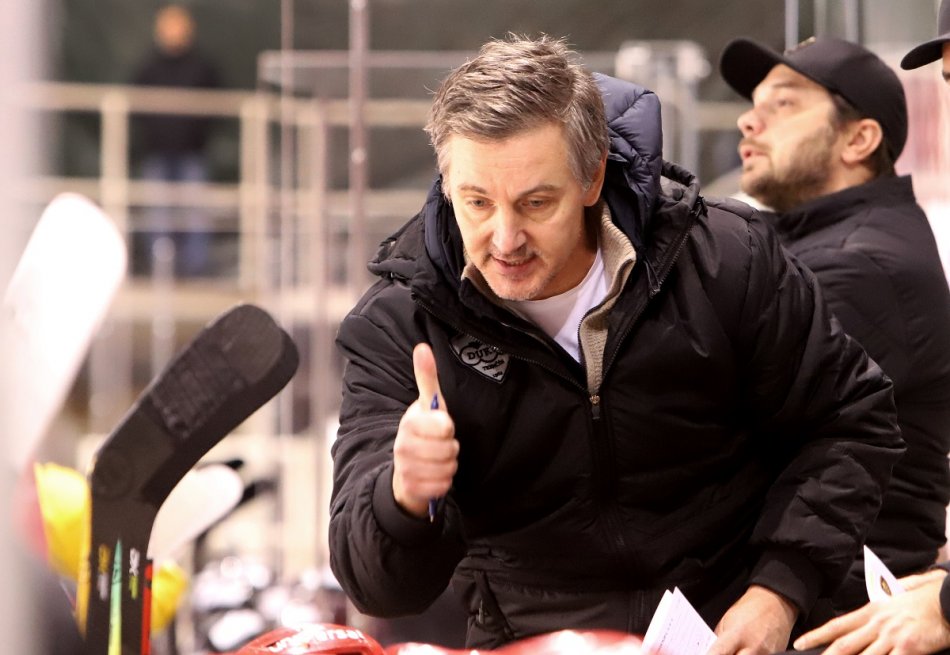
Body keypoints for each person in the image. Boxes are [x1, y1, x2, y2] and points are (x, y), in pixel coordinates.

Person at [329, 35, 903, 653]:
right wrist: (404, 497)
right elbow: (377, 587)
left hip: (731, 633)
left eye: (536, 203)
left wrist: (780, 591)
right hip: (534, 643)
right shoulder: (402, 324)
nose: (505, 237)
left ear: (593, 176)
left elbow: (849, 422)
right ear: (446, 183)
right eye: (476, 202)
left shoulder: (722, 260)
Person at [719, 35, 950, 616]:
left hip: (834, 615)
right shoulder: (820, 243)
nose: (750, 121)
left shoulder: (858, 266)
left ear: (858, 139)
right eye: (755, 104)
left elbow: (724, 445)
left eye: (784, 103)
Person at [132, 4, 220, 277]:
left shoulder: (202, 67)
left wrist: (196, 133)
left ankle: (195, 269)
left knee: (195, 212)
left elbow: (217, 104)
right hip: (158, 153)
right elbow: (136, 104)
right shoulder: (148, 67)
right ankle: (161, 267)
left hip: (192, 153)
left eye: (178, 26)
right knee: (158, 213)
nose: (174, 32)